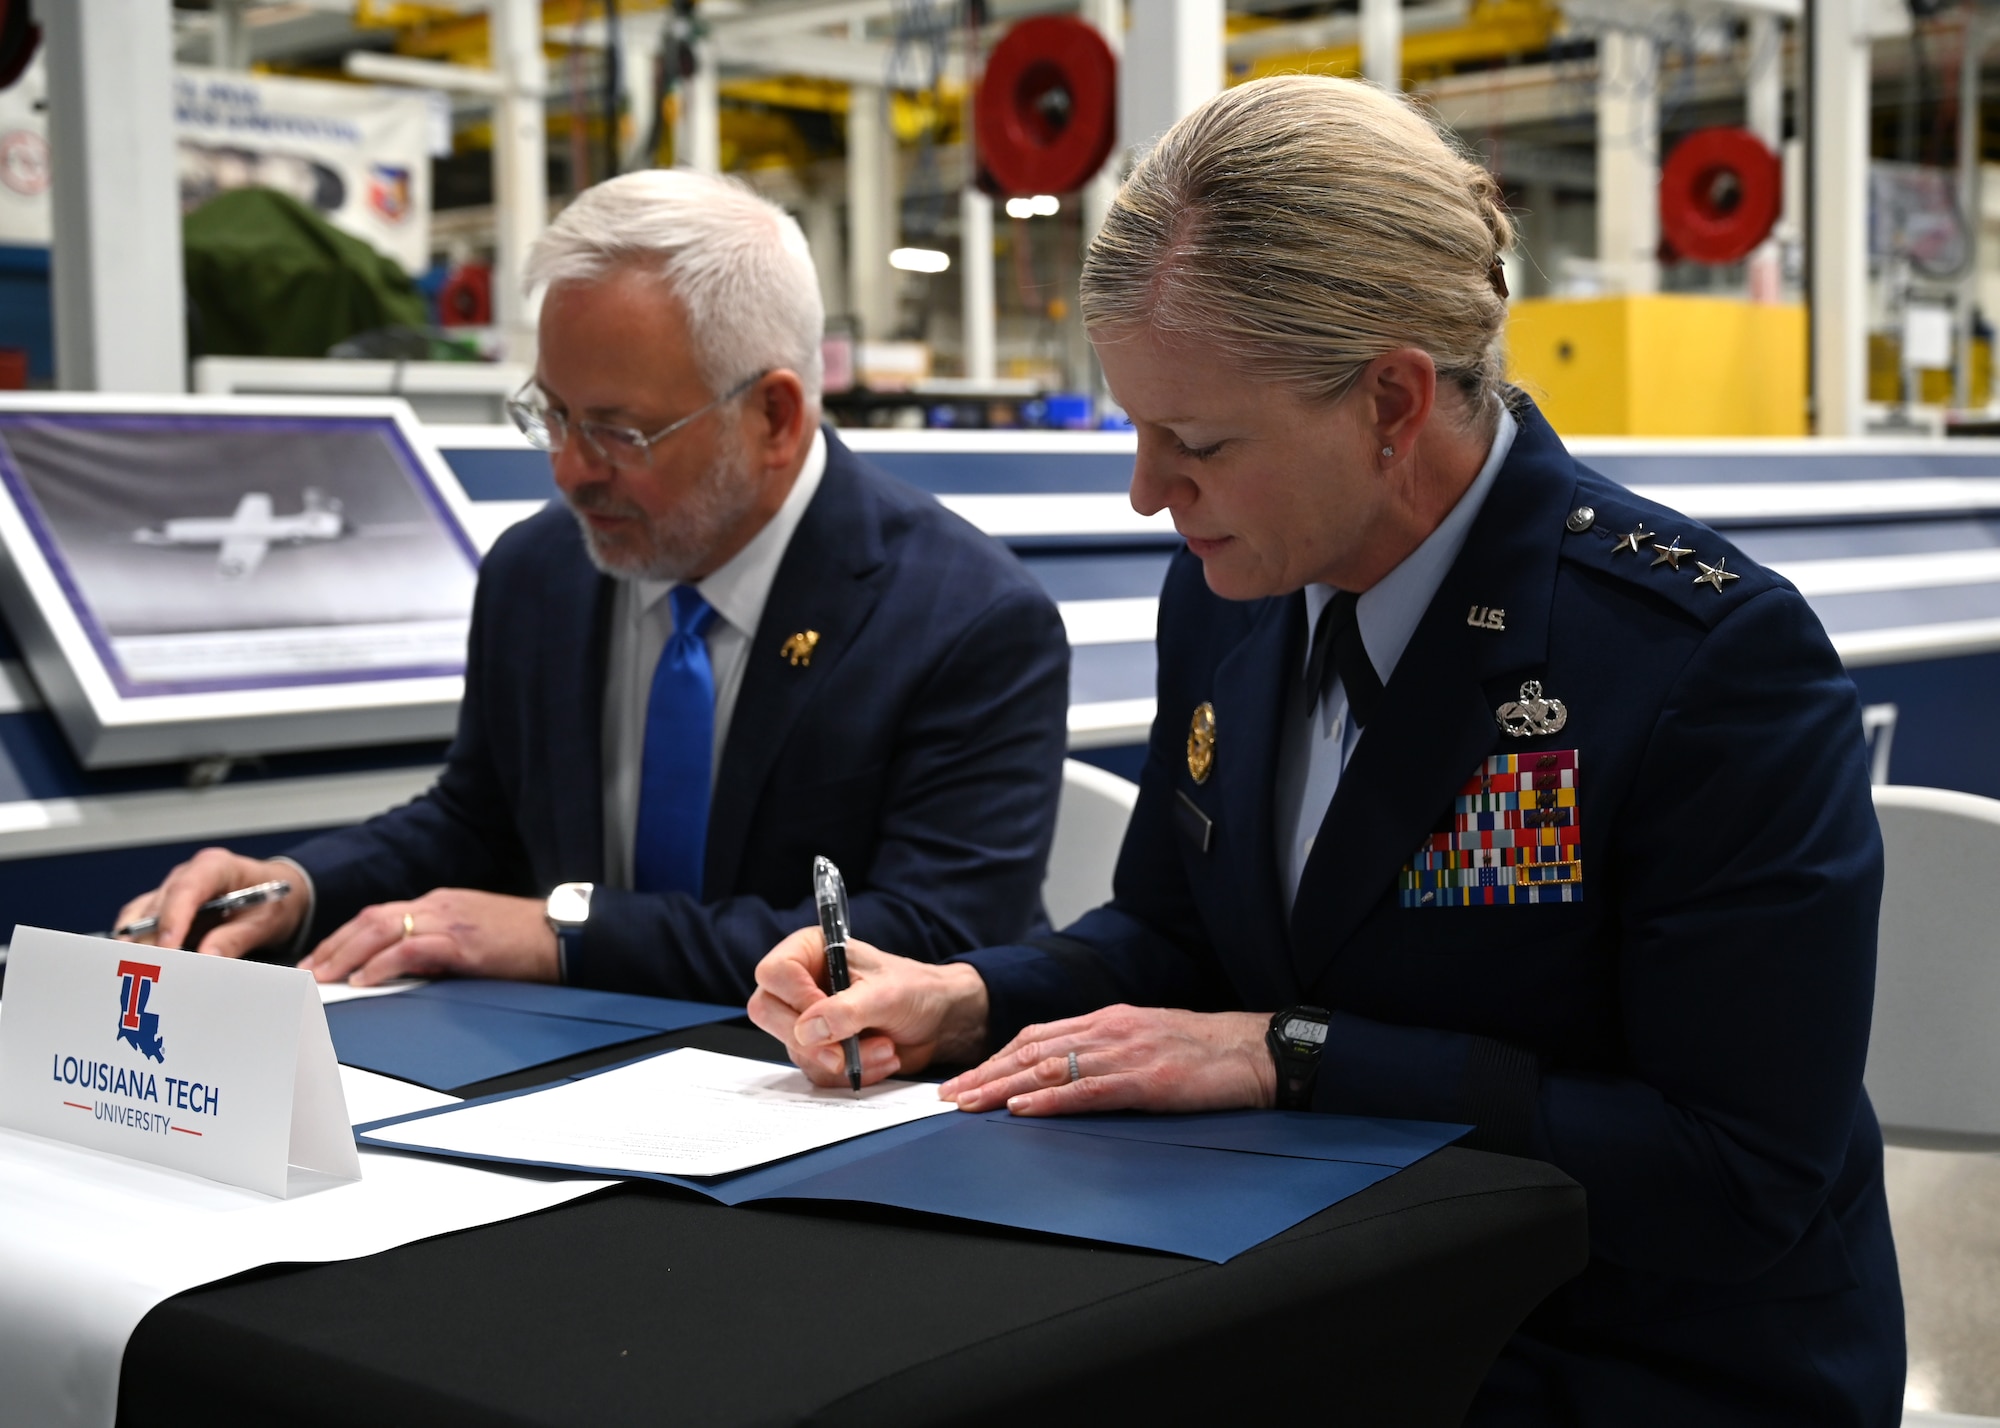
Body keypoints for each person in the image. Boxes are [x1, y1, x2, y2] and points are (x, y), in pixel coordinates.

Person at [749, 76, 1903, 1425]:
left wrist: (1294, 1054)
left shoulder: (1696, 665)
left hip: (1621, 1362)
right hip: (1310, 1302)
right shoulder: (1238, 590)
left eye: (1198, 441)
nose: (1145, 489)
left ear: (1392, 402)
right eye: (1136, 427)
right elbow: (1173, 937)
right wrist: (970, 997)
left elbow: (1734, 1176)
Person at [116, 169, 1071, 1003]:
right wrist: (295, 884)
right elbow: (476, 820)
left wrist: (565, 934)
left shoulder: (965, 620)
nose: (569, 471)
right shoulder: (542, 573)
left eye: (619, 431)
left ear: (774, 416)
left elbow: (934, 939)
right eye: (553, 414)